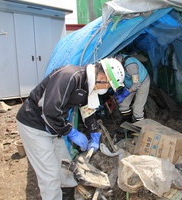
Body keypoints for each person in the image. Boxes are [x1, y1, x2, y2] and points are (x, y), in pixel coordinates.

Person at [16, 58, 125, 200]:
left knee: (65, 165)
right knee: (50, 174)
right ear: (103, 76)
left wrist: (94, 133)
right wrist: (71, 132)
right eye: (109, 85)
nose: (107, 89)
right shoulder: (69, 76)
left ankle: (68, 195)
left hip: (54, 127)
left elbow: (88, 110)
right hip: (34, 124)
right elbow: (50, 111)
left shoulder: (89, 84)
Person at [113, 54, 150, 122]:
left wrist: (124, 94)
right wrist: (117, 90)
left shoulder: (130, 65)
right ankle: (128, 125)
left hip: (142, 82)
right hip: (129, 82)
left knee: (137, 108)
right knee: (123, 104)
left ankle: (139, 129)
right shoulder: (115, 62)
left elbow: (136, 84)